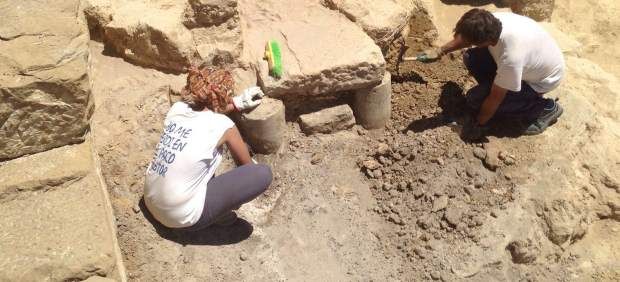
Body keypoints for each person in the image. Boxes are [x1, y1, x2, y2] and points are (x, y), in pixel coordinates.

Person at [144, 66, 273, 230]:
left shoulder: (177, 109)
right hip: (179, 218)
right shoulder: (224, 126)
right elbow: (246, 166)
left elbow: (206, 109)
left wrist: (236, 103)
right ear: (221, 97)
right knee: (262, 173)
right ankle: (219, 213)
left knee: (201, 155)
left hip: (151, 199)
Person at [420, 8, 564, 138]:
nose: (466, 44)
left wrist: (478, 125)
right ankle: (503, 86)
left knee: (476, 100)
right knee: (471, 57)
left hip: (540, 81)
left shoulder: (511, 57)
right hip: (535, 61)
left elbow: (495, 98)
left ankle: (544, 108)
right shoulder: (489, 22)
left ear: (485, 41)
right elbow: (466, 37)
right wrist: (441, 50)